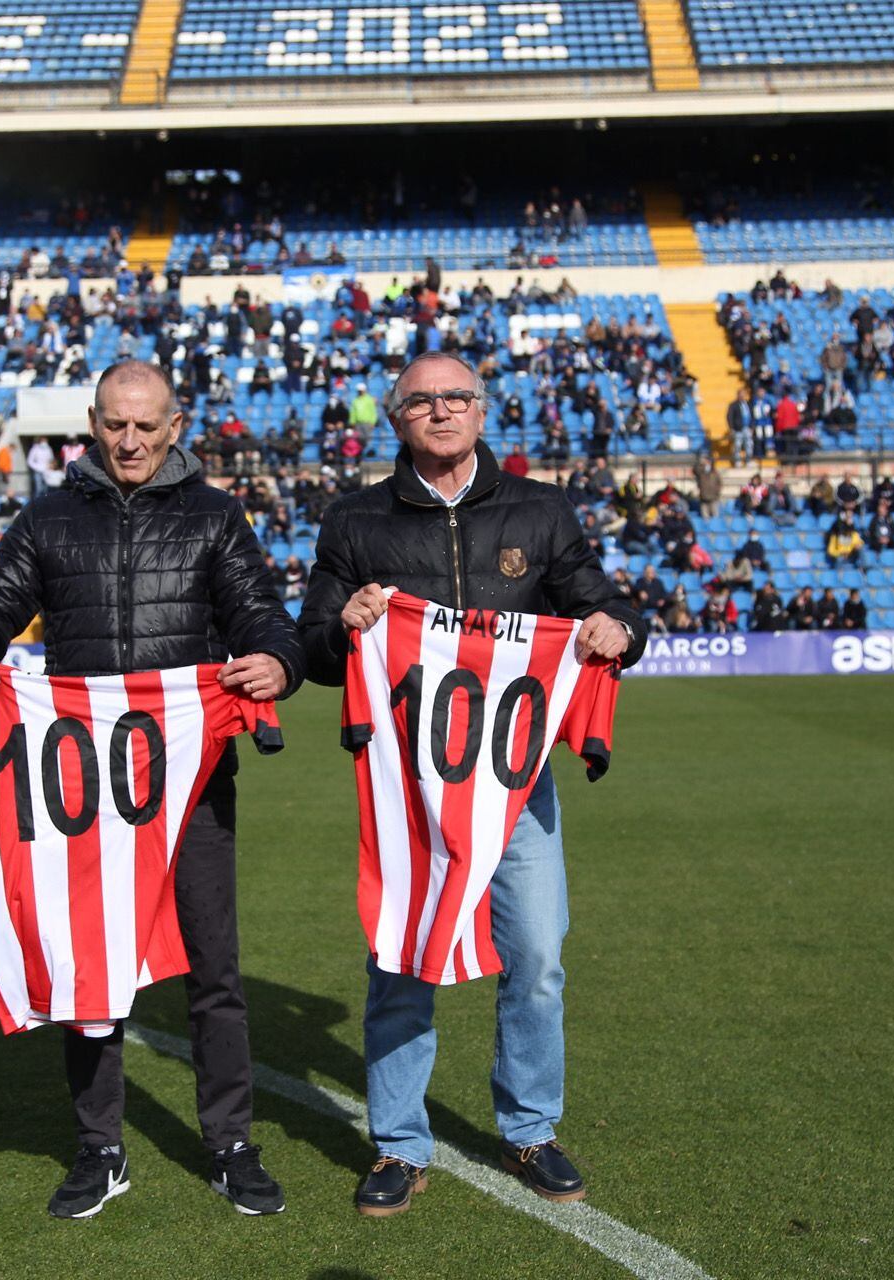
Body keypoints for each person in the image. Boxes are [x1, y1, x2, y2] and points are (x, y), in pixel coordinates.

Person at [0, 360, 304, 1220]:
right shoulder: (48, 518)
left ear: (175, 427)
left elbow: (262, 613)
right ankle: (99, 1149)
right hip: (81, 791)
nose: (129, 441)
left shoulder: (213, 515)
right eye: (114, 425)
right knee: (85, 972)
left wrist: (281, 657)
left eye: (145, 426)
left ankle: (231, 1143)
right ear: (93, 423)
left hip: (192, 779)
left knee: (214, 968)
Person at [296, 350, 645, 1217]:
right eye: (423, 401)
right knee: (401, 960)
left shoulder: (541, 507)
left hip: (514, 780)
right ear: (395, 418)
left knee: (536, 957)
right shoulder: (355, 522)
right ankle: (399, 1145)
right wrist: (343, 627)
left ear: (482, 412)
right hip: (409, 788)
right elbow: (309, 647)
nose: (442, 412)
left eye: (457, 398)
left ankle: (531, 1128)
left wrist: (616, 629)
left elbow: (606, 606)